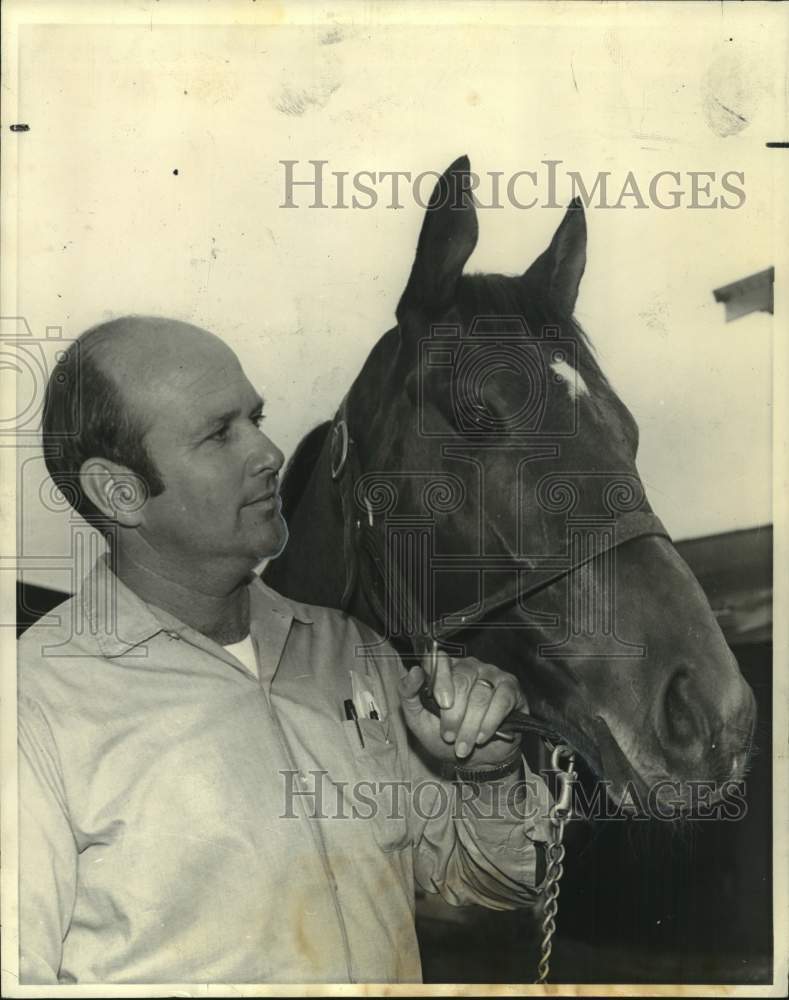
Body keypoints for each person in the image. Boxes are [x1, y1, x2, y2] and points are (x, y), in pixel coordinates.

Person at [18, 316, 552, 984]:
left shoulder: (353, 654)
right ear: (118, 492)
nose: (269, 450)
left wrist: (487, 772)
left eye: (255, 417)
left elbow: (498, 882)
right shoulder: (30, 701)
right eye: (219, 433)